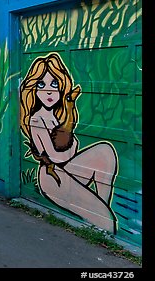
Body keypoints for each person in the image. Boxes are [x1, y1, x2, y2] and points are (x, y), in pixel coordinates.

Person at [19, 52, 118, 234]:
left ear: (62, 85)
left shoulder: (54, 116)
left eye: (54, 84)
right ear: (33, 88)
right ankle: (101, 220)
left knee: (105, 152)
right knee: (108, 221)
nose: (49, 90)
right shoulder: (37, 119)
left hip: (66, 169)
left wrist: (68, 141)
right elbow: (56, 157)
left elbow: (70, 150)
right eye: (41, 84)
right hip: (52, 177)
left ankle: (99, 208)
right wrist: (68, 144)